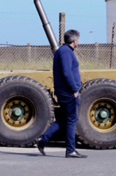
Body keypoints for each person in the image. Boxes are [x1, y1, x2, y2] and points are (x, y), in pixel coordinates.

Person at [36, 30, 87, 158]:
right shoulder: (65, 52)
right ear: (74, 40)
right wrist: (74, 89)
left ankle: (43, 139)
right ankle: (70, 150)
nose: (78, 42)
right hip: (68, 92)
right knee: (71, 120)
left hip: (65, 91)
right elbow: (67, 72)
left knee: (64, 119)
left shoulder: (64, 51)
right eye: (78, 39)